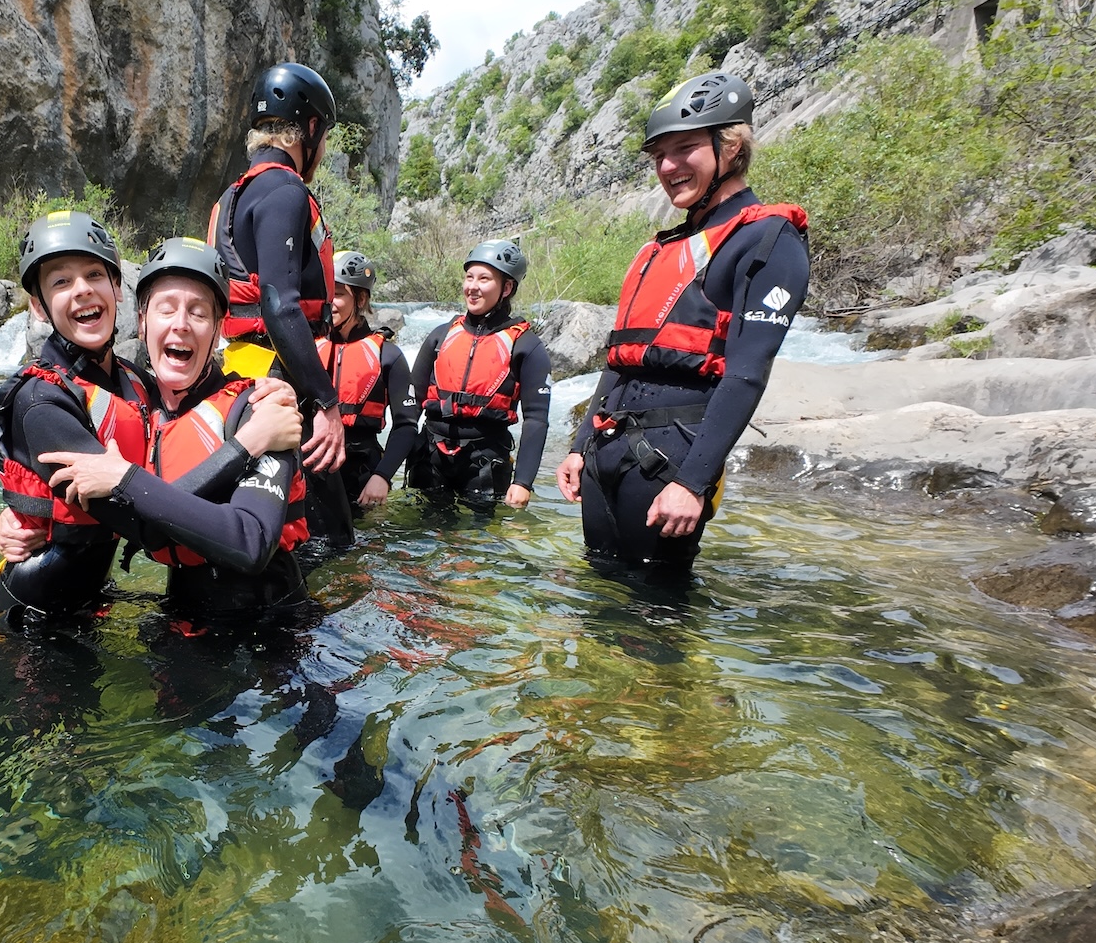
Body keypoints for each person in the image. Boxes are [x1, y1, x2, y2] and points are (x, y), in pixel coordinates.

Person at [0, 212, 301, 628]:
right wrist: (248, 445)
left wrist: (287, 394)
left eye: (94, 274)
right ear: (38, 306)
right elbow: (145, 524)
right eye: (61, 281)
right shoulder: (42, 400)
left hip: (246, 618)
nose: (81, 290)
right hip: (34, 614)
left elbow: (243, 532)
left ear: (116, 289)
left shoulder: (141, 386)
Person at [554, 70, 810, 571]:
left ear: (730, 147)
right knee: (600, 592)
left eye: (685, 148)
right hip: (609, 448)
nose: (669, 166)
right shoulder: (664, 246)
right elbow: (621, 361)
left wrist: (693, 483)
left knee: (653, 615)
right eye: (659, 156)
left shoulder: (767, 239)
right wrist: (581, 446)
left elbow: (747, 371)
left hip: (672, 458)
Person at [208, 61, 356, 547]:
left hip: (238, 376)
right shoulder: (285, 188)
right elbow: (280, 305)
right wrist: (326, 404)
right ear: (309, 128)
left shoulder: (232, 196)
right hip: (279, 382)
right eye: (324, 135)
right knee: (330, 537)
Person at [408, 240, 553, 514]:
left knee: (476, 549)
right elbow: (411, 405)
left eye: (484, 279)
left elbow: (537, 419)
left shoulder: (526, 345)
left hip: (484, 462)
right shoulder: (440, 335)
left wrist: (523, 482)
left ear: (507, 287)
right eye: (469, 277)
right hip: (430, 457)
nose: (472, 287)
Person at [319, 250, 418, 513]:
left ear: (360, 298)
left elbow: (407, 425)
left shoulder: (389, 355)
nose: (330, 302)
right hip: (313, 468)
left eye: (338, 294)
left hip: (362, 473)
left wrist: (383, 476)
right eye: (327, 292)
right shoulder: (307, 349)